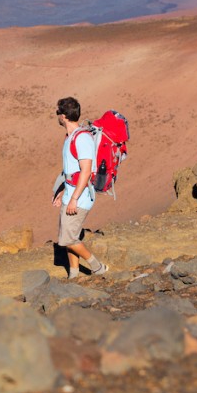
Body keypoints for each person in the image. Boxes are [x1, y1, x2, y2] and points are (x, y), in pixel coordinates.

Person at [53, 97, 108, 278]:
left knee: (67, 239)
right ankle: (74, 275)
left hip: (80, 196)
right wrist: (62, 192)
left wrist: (74, 199)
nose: (57, 116)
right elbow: (71, 171)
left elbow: (85, 171)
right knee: (70, 236)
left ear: (63, 116)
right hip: (70, 192)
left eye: (57, 113)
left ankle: (98, 267)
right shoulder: (70, 138)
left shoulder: (82, 138)